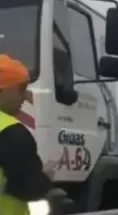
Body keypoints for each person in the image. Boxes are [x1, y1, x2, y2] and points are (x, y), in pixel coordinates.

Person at [0, 54, 53, 215]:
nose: (26, 97)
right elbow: (29, 188)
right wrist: (46, 177)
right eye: (21, 89)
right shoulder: (10, 131)